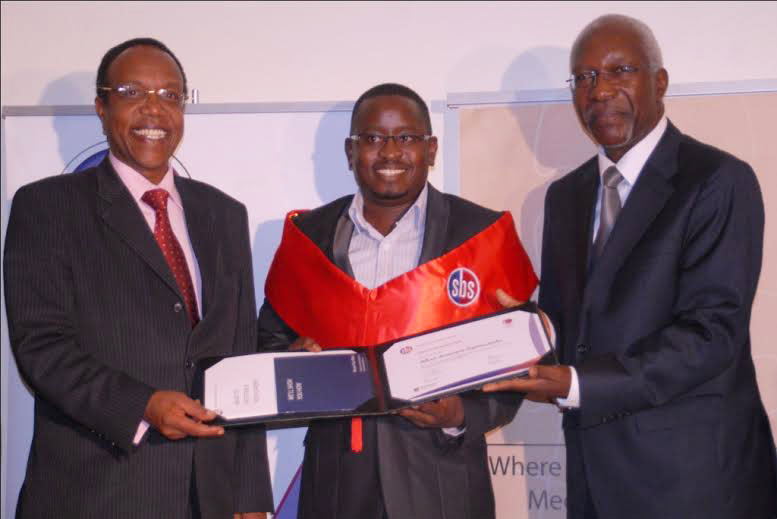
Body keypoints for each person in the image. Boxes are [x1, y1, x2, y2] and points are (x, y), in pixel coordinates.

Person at [484, 14, 777, 519]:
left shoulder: (717, 180)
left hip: (693, 482)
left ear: (659, 82)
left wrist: (577, 385)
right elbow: (575, 329)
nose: (600, 91)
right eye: (585, 77)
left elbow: (711, 334)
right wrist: (522, 332)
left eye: (620, 71)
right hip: (592, 479)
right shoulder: (566, 196)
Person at [4, 38, 273, 519]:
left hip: (206, 497)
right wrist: (142, 405)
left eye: (170, 95)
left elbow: (240, 353)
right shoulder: (47, 207)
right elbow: (41, 349)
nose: (154, 109)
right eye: (132, 92)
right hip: (95, 493)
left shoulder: (224, 214)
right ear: (101, 108)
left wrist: (250, 496)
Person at [258, 83, 538, 519]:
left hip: (443, 484)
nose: (389, 152)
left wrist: (461, 413)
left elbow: (520, 362)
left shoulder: (480, 234)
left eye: (406, 137)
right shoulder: (308, 238)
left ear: (431, 149)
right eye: (372, 138)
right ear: (351, 151)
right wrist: (293, 366)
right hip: (337, 486)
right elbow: (267, 345)